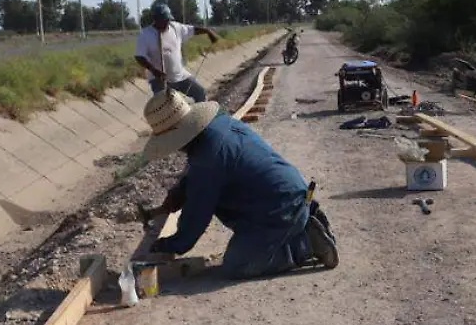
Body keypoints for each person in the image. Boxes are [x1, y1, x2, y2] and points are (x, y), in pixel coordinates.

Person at [139, 89, 339, 280]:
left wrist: (168, 245)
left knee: (238, 264)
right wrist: (180, 192)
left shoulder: (207, 159)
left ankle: (305, 244)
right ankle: (303, 221)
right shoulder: (219, 125)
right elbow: (199, 177)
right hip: (293, 196)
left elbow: (195, 217)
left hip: (279, 212)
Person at [134, 1, 220, 102]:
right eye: (163, 20)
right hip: (159, 80)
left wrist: (207, 31)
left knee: (200, 93)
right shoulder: (145, 34)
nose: (166, 22)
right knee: (164, 106)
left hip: (180, 75)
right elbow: (139, 56)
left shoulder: (175, 28)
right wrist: (153, 70)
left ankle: (197, 117)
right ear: (155, 19)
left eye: (167, 20)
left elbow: (192, 30)